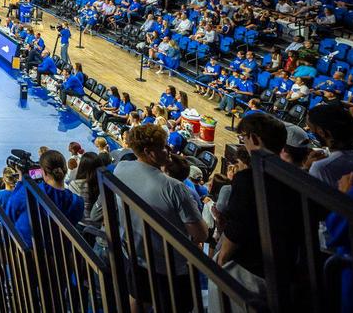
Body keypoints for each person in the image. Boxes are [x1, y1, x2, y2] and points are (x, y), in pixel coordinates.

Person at [112, 124, 206, 311]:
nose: (169, 150)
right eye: (164, 146)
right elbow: (201, 234)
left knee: (138, 300)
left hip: (135, 255)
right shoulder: (174, 187)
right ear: (149, 152)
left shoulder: (120, 168)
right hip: (170, 266)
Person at [211, 113, 297, 306]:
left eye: (243, 138)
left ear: (255, 139)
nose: (243, 143)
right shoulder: (295, 176)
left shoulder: (248, 179)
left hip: (247, 268)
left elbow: (238, 227)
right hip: (283, 268)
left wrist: (222, 257)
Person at [3, 150, 84, 244]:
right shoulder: (78, 202)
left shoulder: (28, 193)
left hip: (28, 251)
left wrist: (21, 180)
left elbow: (9, 214)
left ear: (44, 173)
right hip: (62, 251)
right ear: (65, 170)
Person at [307, 102, 353, 188]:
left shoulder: (321, 168)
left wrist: (306, 168)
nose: (310, 132)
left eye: (311, 128)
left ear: (322, 132)